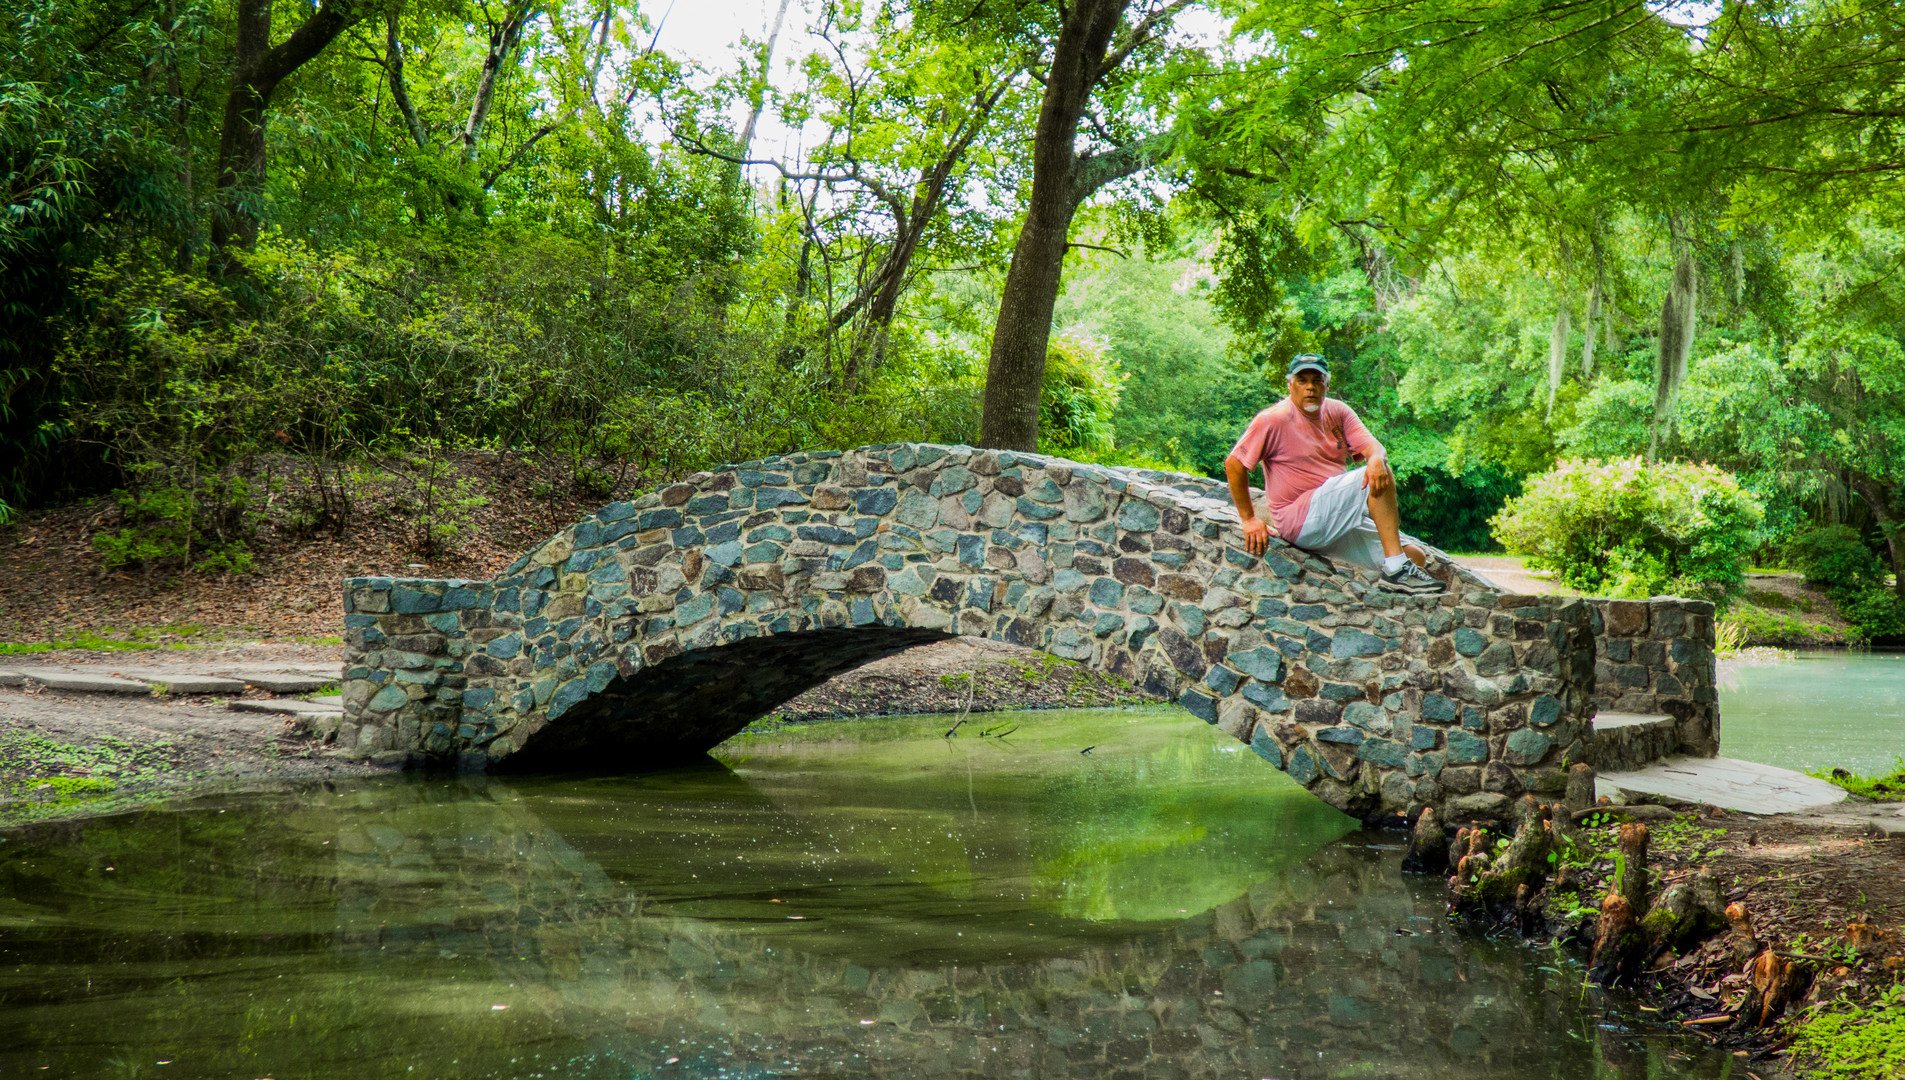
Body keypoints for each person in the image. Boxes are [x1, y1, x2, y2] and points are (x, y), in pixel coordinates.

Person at [1224, 353, 1446, 594]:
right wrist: (1248, 519)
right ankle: (1395, 571)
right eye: (1302, 380)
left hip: (1335, 516)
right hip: (1299, 518)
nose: (1310, 387)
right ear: (1290, 384)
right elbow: (1234, 464)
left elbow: (1375, 449)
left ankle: (1395, 574)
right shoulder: (1272, 419)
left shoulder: (1338, 411)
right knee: (1379, 476)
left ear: (1327, 384)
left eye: (1317, 380)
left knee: (1415, 556)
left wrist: (1375, 458)